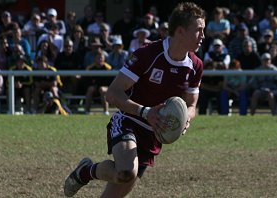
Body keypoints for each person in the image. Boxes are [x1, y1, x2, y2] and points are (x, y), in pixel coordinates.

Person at [64, 2, 205, 197]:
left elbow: (191, 104)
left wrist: (186, 119)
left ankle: (85, 169)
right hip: (129, 121)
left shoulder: (195, 66)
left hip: (153, 136)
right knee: (126, 172)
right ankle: (85, 172)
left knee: (122, 181)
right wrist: (145, 112)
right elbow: (113, 93)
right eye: (198, 30)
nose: (203, 36)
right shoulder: (148, 55)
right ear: (180, 31)